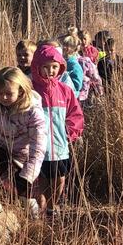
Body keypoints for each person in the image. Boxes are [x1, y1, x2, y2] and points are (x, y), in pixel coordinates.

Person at [0, 67, 47, 217]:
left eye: (9, 94)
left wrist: (28, 175)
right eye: (0, 93)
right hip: (1, 154)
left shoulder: (32, 112)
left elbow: (38, 146)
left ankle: (35, 219)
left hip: (22, 160)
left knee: (24, 196)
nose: (4, 97)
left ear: (21, 91)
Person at [30, 44, 85, 217]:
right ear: (37, 67)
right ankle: (42, 207)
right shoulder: (31, 90)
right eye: (45, 67)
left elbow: (76, 114)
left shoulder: (65, 91)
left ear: (60, 67)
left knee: (59, 178)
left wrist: (70, 132)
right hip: (38, 148)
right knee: (41, 180)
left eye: (54, 67)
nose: (50, 71)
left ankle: (53, 205)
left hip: (60, 147)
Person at [60, 34, 85, 99]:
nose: (64, 47)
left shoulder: (74, 65)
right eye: (63, 45)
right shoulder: (62, 61)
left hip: (71, 97)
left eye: (67, 46)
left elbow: (78, 85)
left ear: (74, 48)